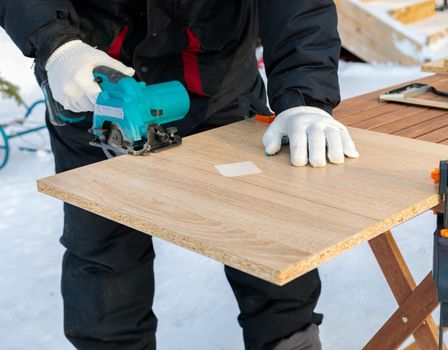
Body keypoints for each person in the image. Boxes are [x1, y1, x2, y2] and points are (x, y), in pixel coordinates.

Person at [0, 1, 359, 349]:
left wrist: (306, 100)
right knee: (104, 249)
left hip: (217, 81)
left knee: (264, 228)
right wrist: (56, 44)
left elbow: (299, 7)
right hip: (91, 84)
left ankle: (289, 341)